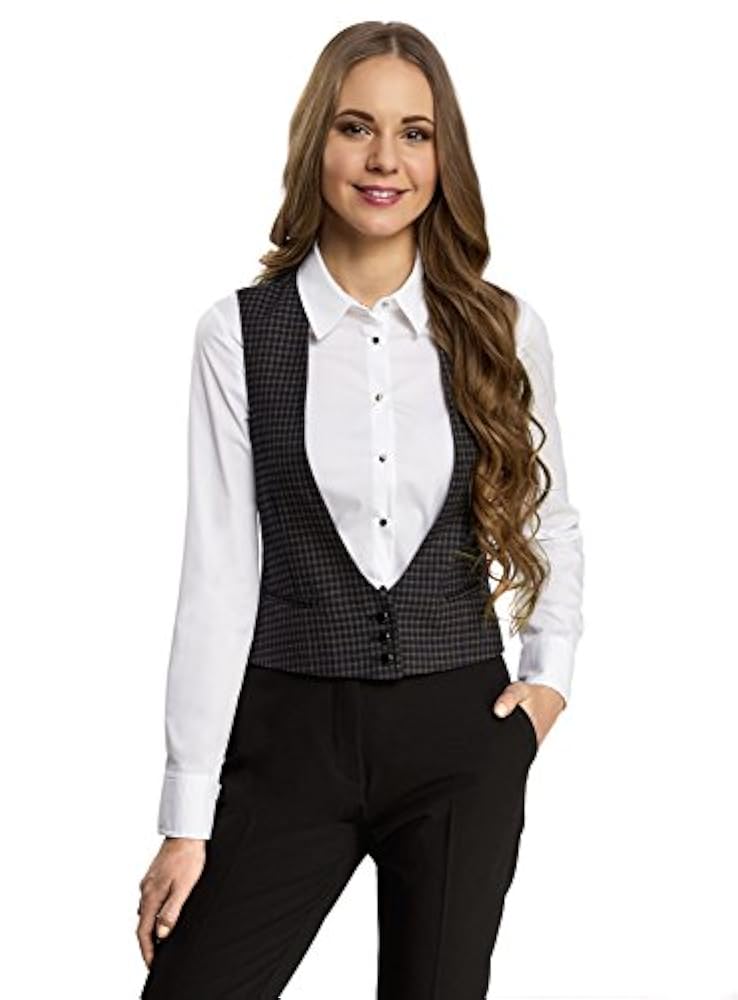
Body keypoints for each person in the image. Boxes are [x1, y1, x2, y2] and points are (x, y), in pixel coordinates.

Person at [136, 19, 585, 1000]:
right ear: (317, 144)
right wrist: (185, 819)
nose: (386, 159)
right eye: (357, 127)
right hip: (288, 737)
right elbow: (219, 573)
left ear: (443, 155)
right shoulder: (239, 335)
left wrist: (547, 683)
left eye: (414, 133)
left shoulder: (503, 328)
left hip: (459, 736)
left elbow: (551, 519)